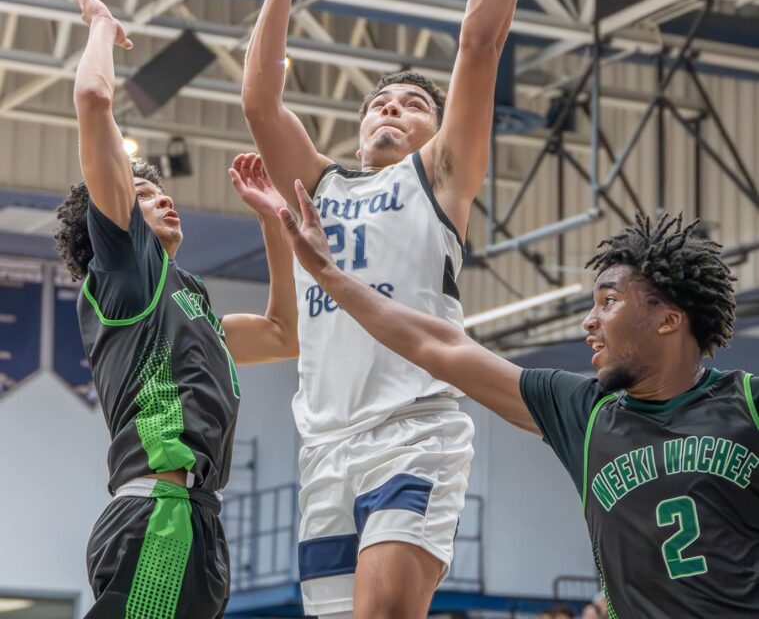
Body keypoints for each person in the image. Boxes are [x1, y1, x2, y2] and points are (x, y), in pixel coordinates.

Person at [242, 0, 545, 618]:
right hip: (325, 448)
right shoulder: (318, 186)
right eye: (379, 100)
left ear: (432, 130)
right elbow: (259, 100)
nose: (390, 108)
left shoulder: (440, 176)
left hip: (413, 427)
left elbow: (478, 44)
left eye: (412, 104)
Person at [279, 194, 759, 618]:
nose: (589, 322)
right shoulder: (584, 412)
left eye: (608, 302)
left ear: (669, 321)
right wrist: (329, 274)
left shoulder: (748, 404)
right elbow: (442, 347)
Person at [54, 0, 299, 618]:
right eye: (142, 192)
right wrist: (101, 27)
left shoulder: (186, 300)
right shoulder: (126, 275)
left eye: (163, 187)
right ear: (110, 224)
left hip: (199, 520)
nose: (162, 194)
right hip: (157, 513)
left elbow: (282, 334)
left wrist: (274, 222)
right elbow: (92, 100)